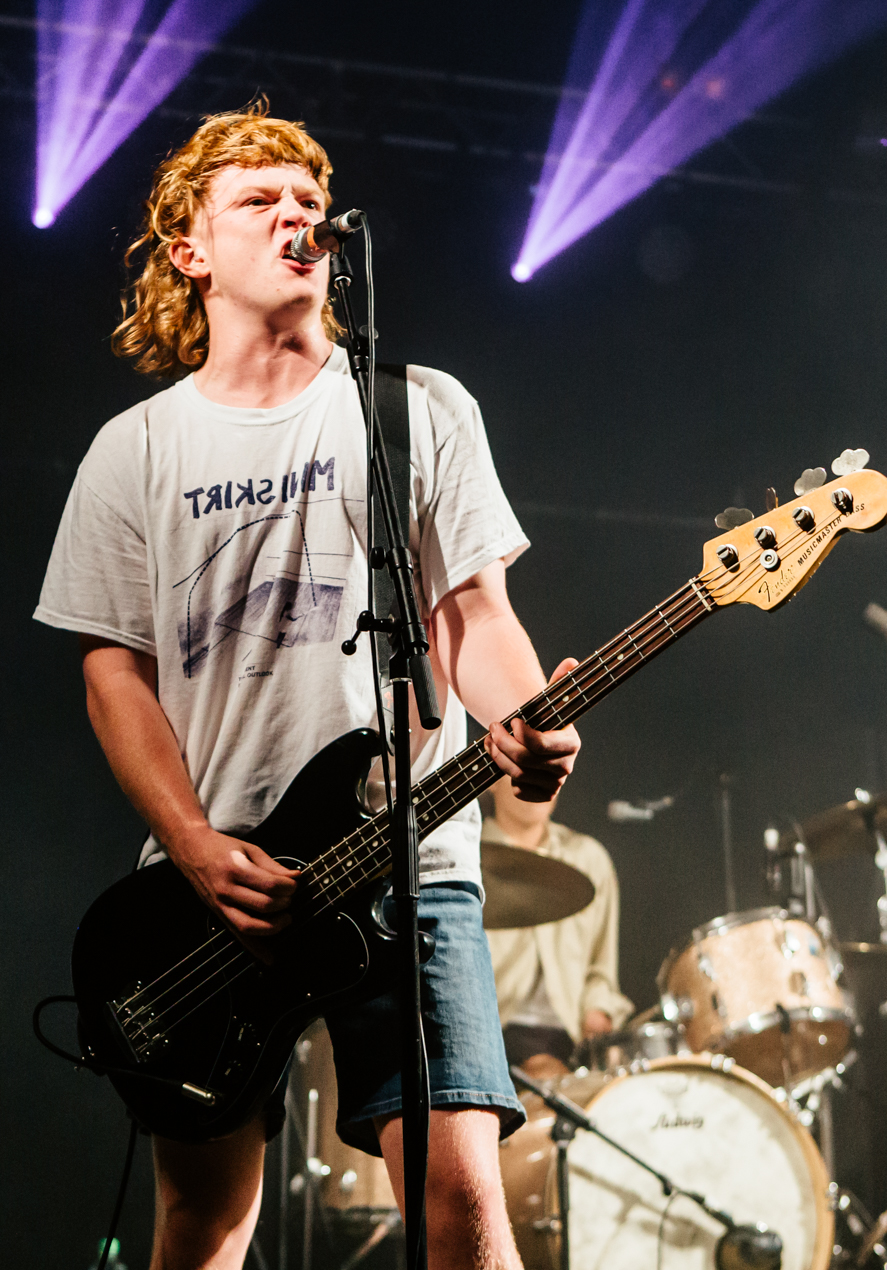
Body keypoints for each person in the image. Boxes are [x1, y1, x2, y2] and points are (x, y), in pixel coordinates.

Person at [34, 103, 580, 1270]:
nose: (297, 217)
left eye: (308, 201)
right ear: (189, 249)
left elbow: (472, 614)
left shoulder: (416, 407)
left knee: (463, 1210)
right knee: (201, 1225)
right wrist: (193, 846)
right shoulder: (134, 448)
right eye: (258, 200)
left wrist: (521, 721)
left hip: (405, 860)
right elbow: (112, 674)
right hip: (209, 888)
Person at [482, 778, 633, 1072]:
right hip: (492, 1033)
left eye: (548, 763)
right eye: (523, 764)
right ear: (492, 777)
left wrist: (597, 1010)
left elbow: (601, 970)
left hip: (571, 1038)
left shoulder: (588, 859)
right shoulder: (466, 861)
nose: (537, 777)